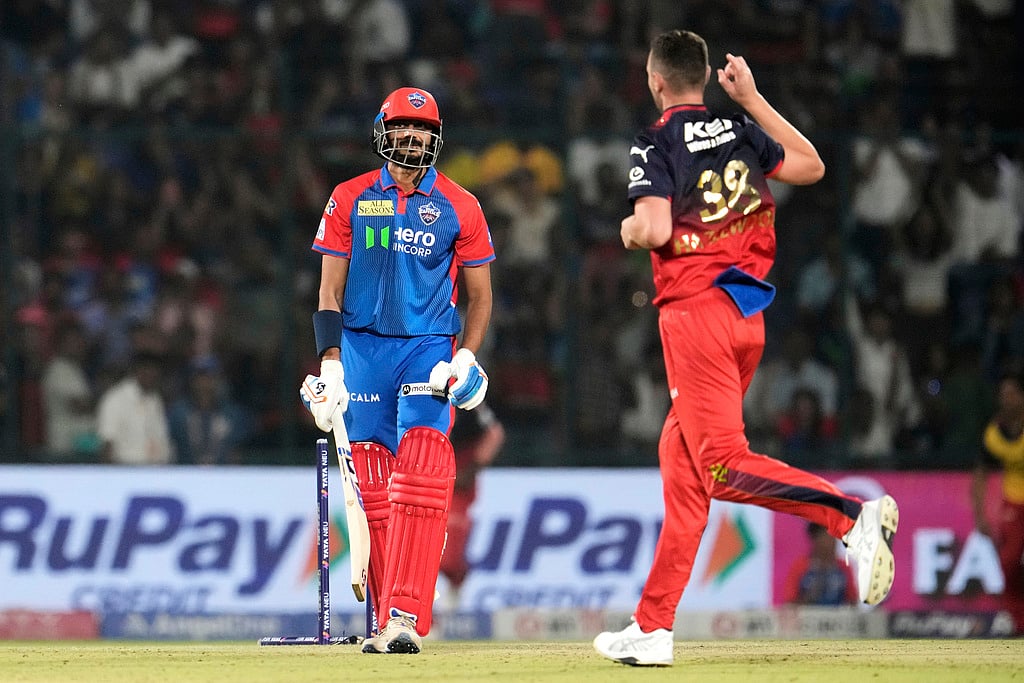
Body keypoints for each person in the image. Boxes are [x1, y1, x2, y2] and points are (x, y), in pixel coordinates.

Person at [592, 30, 899, 667]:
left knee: (723, 467)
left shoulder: (656, 142)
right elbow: (811, 165)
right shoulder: (738, 129)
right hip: (746, 316)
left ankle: (850, 516)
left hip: (695, 315)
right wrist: (755, 100)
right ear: (703, 78)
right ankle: (652, 628)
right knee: (682, 466)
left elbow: (651, 228)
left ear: (654, 82)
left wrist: (625, 229)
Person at [298, 87, 495, 655]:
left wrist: (466, 354)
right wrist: (330, 364)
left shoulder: (461, 205)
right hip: (361, 351)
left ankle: (406, 614)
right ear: (385, 133)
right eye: (404, 128)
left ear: (436, 139)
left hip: (428, 345)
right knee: (376, 491)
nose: (413, 138)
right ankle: (387, 622)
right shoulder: (350, 197)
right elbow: (329, 289)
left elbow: (480, 297)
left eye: (423, 130)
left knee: (426, 469)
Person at [971, 372, 1024, 637]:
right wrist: (980, 515)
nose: (1007, 400)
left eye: (1012, 394)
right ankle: (1019, 623)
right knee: (1009, 561)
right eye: (1003, 395)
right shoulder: (994, 435)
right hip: (1014, 501)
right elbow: (980, 474)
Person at [439, 401, 505, 608]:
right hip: (438, 465)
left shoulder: (473, 406)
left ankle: (453, 597)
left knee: (448, 561)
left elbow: (495, 433)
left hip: (457, 494)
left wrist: (474, 466)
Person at [96, 350, 174, 465]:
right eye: (149, 372)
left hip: (157, 470)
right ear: (137, 371)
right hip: (126, 470)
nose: (153, 377)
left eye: (156, 374)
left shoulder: (155, 399)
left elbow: (161, 438)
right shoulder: (115, 399)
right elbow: (107, 442)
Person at [782, 523, 858, 606]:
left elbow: (853, 602)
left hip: (837, 617)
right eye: (826, 537)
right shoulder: (800, 566)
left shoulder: (844, 567)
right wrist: (810, 597)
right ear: (815, 540)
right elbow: (789, 603)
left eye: (834, 538)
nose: (832, 542)